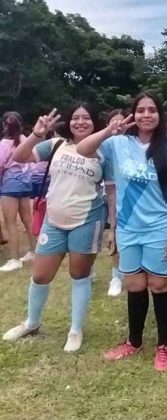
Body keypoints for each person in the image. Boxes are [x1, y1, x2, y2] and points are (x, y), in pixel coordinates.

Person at [77, 91, 167, 371]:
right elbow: (83, 149)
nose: (146, 115)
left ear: (160, 115)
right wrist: (108, 130)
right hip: (128, 229)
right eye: (141, 110)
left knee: (159, 285)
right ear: (133, 114)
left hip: (160, 228)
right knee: (135, 285)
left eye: (152, 110)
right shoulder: (117, 143)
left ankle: (164, 345)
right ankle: (134, 341)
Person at [3, 104, 106, 352]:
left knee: (79, 275)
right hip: (54, 220)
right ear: (68, 122)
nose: (80, 122)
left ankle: (75, 329)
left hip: (87, 220)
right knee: (40, 275)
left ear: (94, 121)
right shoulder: (56, 145)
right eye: (75, 118)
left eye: (86, 118)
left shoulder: (105, 150)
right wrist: (37, 134)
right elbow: (20, 157)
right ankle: (32, 322)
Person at [0, 112, 36, 272]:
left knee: (11, 223)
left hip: (10, 183)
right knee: (28, 220)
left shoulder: (4, 143)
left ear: (4, 125)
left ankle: (14, 259)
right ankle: (34, 251)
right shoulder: (24, 139)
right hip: (26, 182)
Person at [104, 109, 129, 297]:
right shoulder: (106, 147)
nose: (119, 125)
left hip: (137, 200)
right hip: (113, 198)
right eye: (114, 122)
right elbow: (111, 191)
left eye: (122, 121)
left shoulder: (135, 144)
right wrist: (112, 227)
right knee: (115, 237)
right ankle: (116, 277)